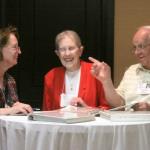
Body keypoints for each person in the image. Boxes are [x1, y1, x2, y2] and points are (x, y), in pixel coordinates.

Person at [43, 30, 110, 110]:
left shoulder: (95, 72)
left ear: (80, 51)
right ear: (58, 54)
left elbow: (107, 109)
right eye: (62, 49)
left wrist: (87, 109)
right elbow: (46, 112)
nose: (67, 53)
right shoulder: (50, 76)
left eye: (71, 48)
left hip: (88, 122)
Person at [89, 26, 150, 111]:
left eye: (141, 46)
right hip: (130, 123)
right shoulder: (131, 71)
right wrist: (106, 81)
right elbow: (118, 104)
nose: (136, 52)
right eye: (135, 47)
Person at [0, 26, 33, 115]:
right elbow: (10, 111)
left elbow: (13, 110)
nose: (19, 52)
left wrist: (18, 107)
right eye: (15, 47)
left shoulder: (10, 80)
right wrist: (10, 110)